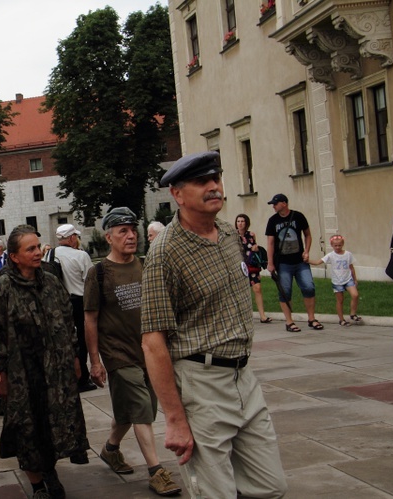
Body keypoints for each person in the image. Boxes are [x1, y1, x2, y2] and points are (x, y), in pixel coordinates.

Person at [141, 151, 287, 498]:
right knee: (214, 492)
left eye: (216, 179)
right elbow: (152, 343)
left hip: (243, 377)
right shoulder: (166, 253)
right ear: (177, 193)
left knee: (270, 487)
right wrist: (175, 418)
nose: (213, 187)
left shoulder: (226, 234)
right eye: (201, 181)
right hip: (200, 384)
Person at [0, 225, 89, 499]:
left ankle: (50, 469)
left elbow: (67, 321)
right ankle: (37, 484)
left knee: (54, 422)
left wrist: (76, 357)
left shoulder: (51, 281)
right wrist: (3, 377)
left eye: (37, 246)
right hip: (23, 374)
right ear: (14, 257)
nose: (37, 252)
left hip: (56, 369)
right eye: (29, 249)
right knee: (27, 428)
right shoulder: (3, 287)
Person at [84, 208, 181, 496]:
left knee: (135, 411)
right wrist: (95, 360)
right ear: (109, 237)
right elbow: (90, 318)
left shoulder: (144, 264)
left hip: (148, 351)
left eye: (132, 230)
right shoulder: (98, 272)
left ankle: (111, 449)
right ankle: (156, 471)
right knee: (141, 409)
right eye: (122, 231)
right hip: (118, 354)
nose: (130, 235)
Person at [266, 193, 322, 332]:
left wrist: (307, 251)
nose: (273, 206)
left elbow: (307, 234)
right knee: (285, 291)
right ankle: (289, 322)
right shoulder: (273, 221)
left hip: (300, 261)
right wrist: (270, 263)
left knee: (309, 287)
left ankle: (311, 318)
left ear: (284, 203)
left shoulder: (298, 216)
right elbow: (271, 243)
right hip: (283, 263)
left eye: (275, 203)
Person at [53, 223, 95, 392]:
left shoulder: (49, 255)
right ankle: (82, 377)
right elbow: (91, 282)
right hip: (78, 302)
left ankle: (67, 375)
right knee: (82, 340)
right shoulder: (81, 255)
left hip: (58, 303)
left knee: (65, 341)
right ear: (71, 238)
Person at [308, 235, 361, 326]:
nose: (337, 247)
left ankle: (353, 313)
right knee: (340, 300)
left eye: (339, 245)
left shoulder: (348, 254)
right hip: (337, 281)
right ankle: (341, 319)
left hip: (348, 279)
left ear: (342, 244)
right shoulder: (330, 255)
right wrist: (307, 260)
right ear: (332, 245)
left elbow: (351, 267)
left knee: (355, 295)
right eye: (335, 245)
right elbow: (318, 262)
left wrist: (355, 279)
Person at [236, 213, 272, 324]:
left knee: (257, 288)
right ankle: (242, 317)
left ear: (246, 223)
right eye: (238, 221)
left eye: (242, 221)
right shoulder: (233, 235)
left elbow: (255, 248)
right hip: (239, 267)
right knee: (241, 292)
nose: (240, 223)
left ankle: (262, 315)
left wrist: (256, 249)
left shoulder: (251, 235)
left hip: (251, 266)